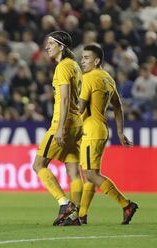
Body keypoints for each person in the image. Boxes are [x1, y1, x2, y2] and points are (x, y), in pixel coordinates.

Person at [72, 44, 138, 225]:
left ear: (97, 60)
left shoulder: (89, 78)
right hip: (101, 129)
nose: (82, 61)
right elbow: (117, 105)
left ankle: (126, 204)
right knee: (91, 174)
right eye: (82, 57)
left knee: (92, 175)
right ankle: (82, 216)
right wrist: (120, 131)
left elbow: (81, 107)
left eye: (86, 58)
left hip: (91, 130)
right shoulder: (108, 78)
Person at [32, 31, 83, 226]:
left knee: (38, 165)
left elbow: (65, 99)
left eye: (51, 44)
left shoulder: (62, 67)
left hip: (63, 124)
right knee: (73, 172)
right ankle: (75, 217)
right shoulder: (74, 66)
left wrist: (60, 128)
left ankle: (64, 204)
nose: (47, 47)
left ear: (62, 46)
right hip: (77, 124)